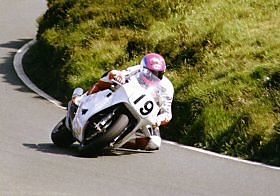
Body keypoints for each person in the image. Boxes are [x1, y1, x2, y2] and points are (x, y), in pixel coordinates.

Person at [65, 53, 174, 150]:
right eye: (148, 72)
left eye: (157, 73)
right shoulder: (136, 70)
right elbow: (122, 74)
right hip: (124, 96)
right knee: (111, 74)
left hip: (144, 114)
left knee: (154, 143)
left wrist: (158, 120)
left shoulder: (167, 88)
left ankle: (120, 142)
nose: (152, 76)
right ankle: (83, 98)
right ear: (142, 67)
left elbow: (167, 114)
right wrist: (119, 76)